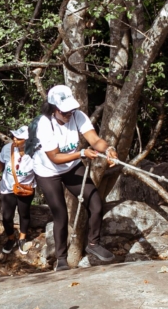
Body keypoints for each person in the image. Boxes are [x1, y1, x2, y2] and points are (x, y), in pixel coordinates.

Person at [34, 85, 118, 271]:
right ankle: (61, 259)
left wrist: (108, 149)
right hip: (48, 171)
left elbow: (95, 140)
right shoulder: (44, 124)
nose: (69, 114)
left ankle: (93, 243)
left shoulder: (77, 116)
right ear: (54, 109)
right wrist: (81, 153)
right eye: (65, 111)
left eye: (71, 110)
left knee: (95, 203)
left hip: (71, 166)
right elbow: (55, 157)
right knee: (61, 215)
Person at [0, 126, 37, 256]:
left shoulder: (35, 153)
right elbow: (0, 163)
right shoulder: (8, 148)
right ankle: (11, 238)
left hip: (25, 188)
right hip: (8, 188)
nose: (14, 139)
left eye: (19, 138)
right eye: (14, 137)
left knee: (24, 214)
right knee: (7, 216)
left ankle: (22, 239)